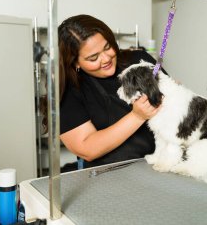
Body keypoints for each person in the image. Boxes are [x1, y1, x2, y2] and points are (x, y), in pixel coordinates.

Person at [57, 14, 162, 168]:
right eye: (93, 58)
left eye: (107, 47)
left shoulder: (139, 60)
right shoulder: (68, 90)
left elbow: (173, 101)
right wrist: (137, 116)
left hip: (159, 162)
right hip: (108, 174)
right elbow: (86, 148)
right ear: (74, 63)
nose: (106, 59)